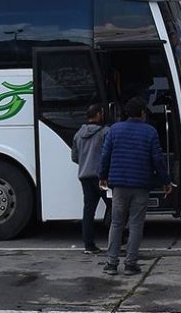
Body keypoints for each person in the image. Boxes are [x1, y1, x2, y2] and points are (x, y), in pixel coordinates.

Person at [99, 97, 172, 276]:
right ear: (142, 113)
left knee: (116, 223)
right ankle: (131, 264)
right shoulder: (150, 132)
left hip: (119, 184)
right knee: (136, 224)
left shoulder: (114, 130)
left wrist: (102, 176)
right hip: (141, 184)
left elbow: (105, 155)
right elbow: (157, 159)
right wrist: (165, 181)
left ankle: (111, 263)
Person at [71, 103, 110, 254]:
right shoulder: (105, 132)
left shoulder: (78, 134)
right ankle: (117, 239)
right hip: (102, 177)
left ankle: (89, 245)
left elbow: (75, 157)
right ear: (99, 114)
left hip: (85, 176)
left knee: (88, 211)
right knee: (114, 207)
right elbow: (108, 154)